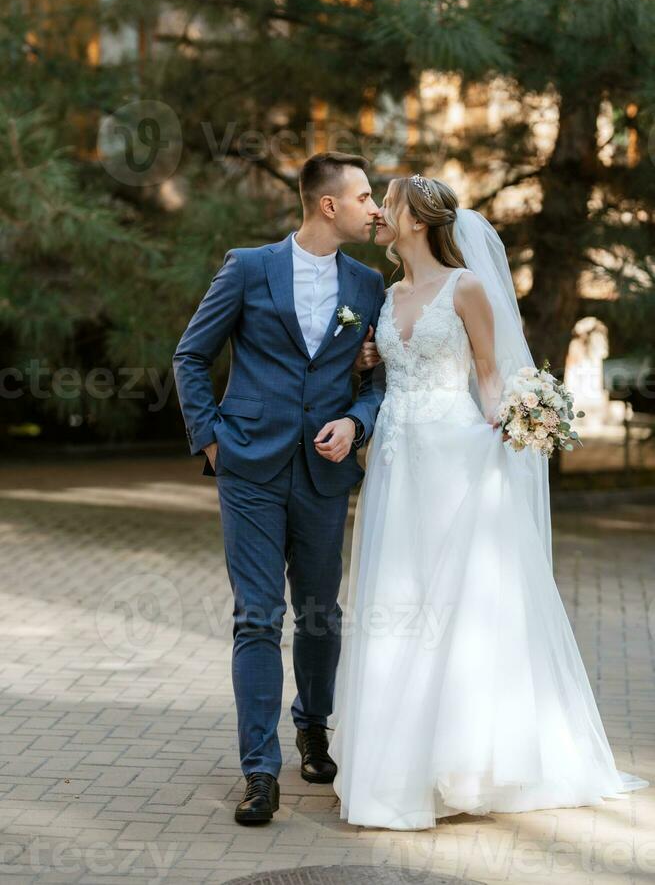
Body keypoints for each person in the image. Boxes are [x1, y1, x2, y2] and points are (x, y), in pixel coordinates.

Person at [328, 174, 649, 830]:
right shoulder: (387, 296)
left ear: (417, 218)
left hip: (453, 454)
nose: (379, 213)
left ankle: (464, 762)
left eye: (386, 204)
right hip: (395, 459)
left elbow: (490, 374)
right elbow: (389, 369)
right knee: (400, 594)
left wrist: (518, 423)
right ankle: (396, 756)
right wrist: (366, 361)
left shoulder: (466, 288)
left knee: (458, 599)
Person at [172, 151, 386, 825]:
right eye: (362, 197)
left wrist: (357, 421)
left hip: (325, 472)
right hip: (249, 470)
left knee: (321, 612)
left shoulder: (367, 284)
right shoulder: (248, 267)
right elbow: (190, 354)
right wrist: (210, 439)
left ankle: (313, 727)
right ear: (328, 205)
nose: (373, 207)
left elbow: (379, 378)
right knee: (255, 617)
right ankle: (258, 770)